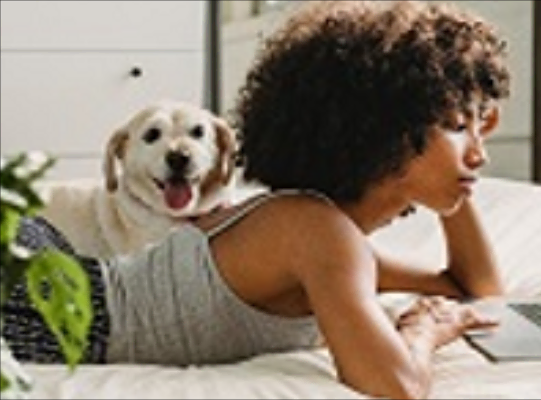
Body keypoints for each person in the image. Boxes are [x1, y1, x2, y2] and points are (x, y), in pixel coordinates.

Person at [1, 1, 511, 399]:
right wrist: (425, 329)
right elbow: (395, 385)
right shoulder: (317, 233)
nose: (480, 153)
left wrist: (457, 175)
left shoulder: (322, 235)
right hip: (40, 304)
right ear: (386, 133)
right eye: (455, 126)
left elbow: (477, 289)